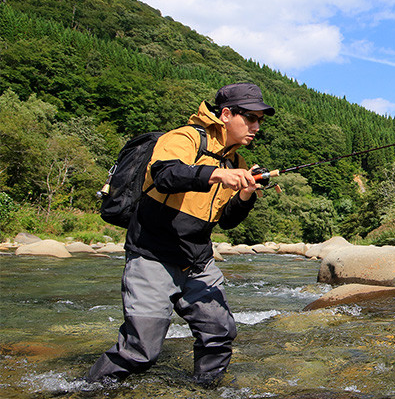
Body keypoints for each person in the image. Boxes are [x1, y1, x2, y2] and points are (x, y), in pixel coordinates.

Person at [85, 82, 275, 386]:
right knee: (140, 351)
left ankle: (204, 391)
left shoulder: (235, 161)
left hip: (198, 261)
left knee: (220, 334)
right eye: (249, 118)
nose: (255, 126)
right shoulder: (184, 138)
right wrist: (216, 174)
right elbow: (164, 174)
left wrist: (245, 195)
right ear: (227, 114)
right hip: (153, 255)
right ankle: (82, 391)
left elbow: (226, 222)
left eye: (259, 120)